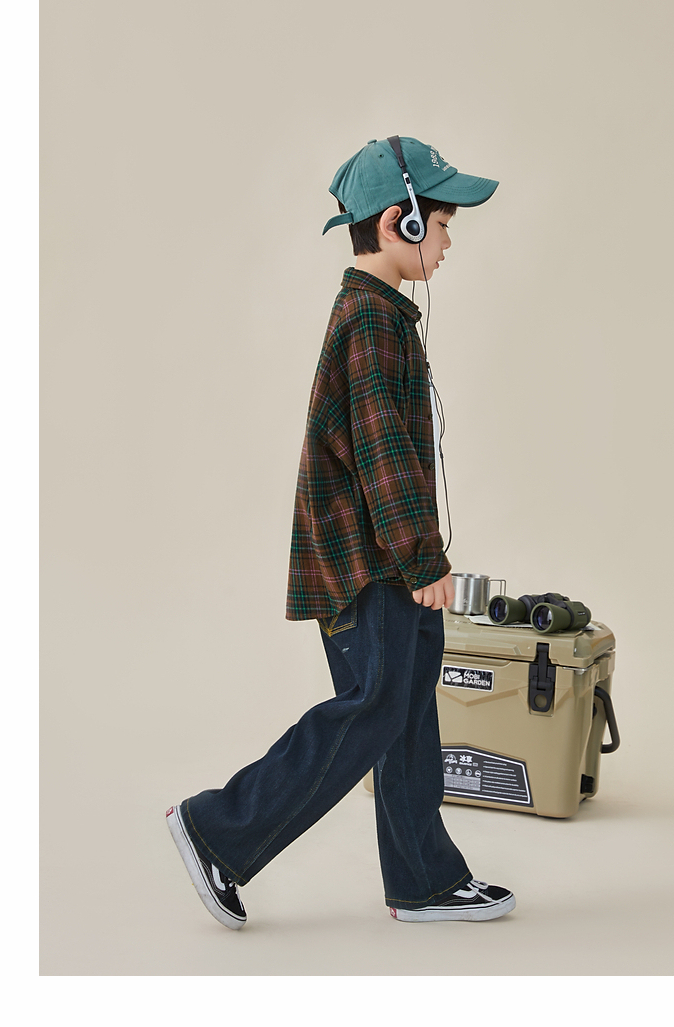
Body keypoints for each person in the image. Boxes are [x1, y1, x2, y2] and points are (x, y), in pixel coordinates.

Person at [166, 136, 515, 928]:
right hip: (372, 564)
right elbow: (383, 451)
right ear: (400, 223)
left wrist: (418, 557)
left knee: (405, 710)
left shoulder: (383, 314)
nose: (449, 242)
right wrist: (423, 558)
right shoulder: (369, 321)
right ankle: (217, 828)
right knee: (375, 704)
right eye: (443, 224)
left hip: (388, 559)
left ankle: (423, 878)